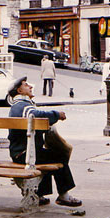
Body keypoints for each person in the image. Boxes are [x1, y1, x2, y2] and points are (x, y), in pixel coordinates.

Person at [8, 76, 82, 207]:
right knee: (59, 156)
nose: (30, 86)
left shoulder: (19, 106)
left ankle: (39, 194)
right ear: (19, 91)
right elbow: (36, 116)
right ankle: (63, 196)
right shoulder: (22, 106)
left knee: (45, 155)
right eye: (26, 85)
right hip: (24, 154)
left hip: (22, 152)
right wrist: (56, 114)